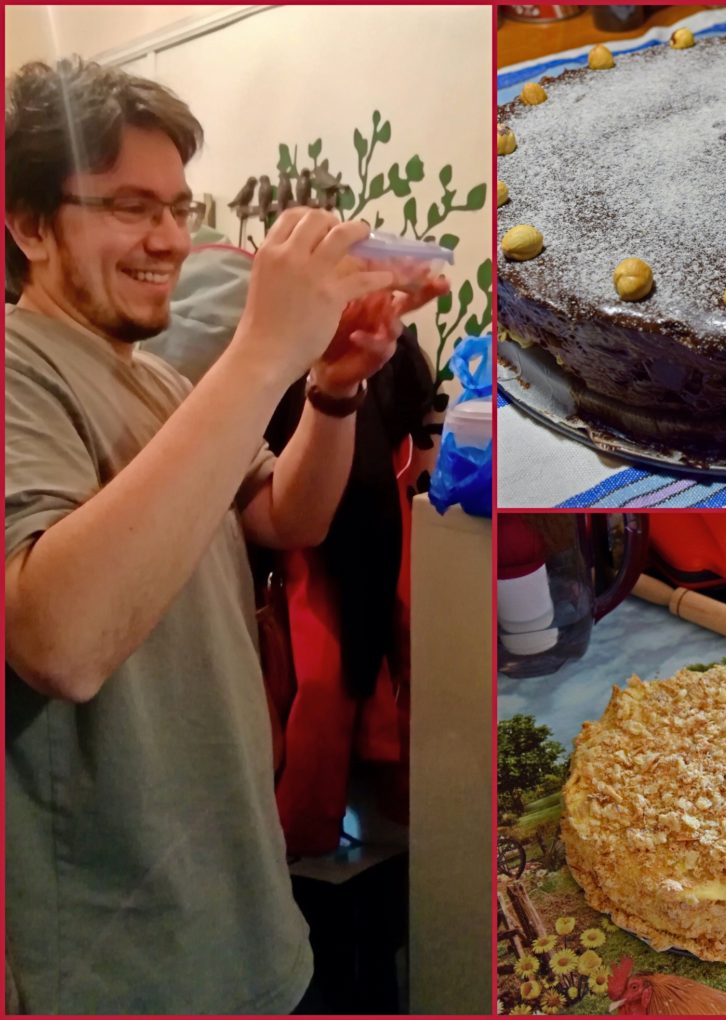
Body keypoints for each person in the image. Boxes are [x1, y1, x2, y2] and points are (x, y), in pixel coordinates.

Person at [4, 57, 447, 1014]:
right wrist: (262, 348)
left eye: (176, 206)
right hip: (114, 966)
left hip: (237, 914)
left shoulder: (161, 383)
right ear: (30, 223)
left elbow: (287, 517)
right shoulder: (15, 369)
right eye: (129, 206)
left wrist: (331, 387)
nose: (168, 239)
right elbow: (60, 644)